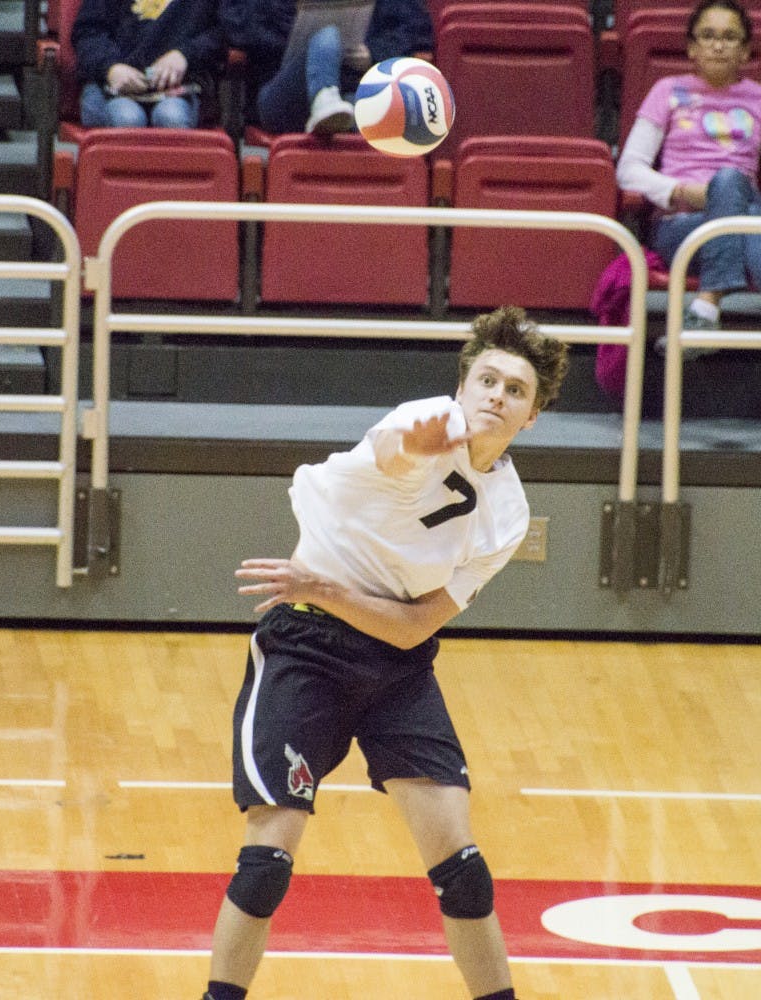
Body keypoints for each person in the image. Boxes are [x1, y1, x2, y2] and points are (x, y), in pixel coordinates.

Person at [202, 306, 570, 1000]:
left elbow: (412, 628)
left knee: (463, 871)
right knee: (267, 863)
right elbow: (393, 451)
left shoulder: (510, 512)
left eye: (514, 390)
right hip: (307, 648)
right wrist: (416, 446)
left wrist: (325, 585)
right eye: (486, 380)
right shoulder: (426, 420)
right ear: (462, 389)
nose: (495, 395)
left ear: (532, 418)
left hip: (396, 666)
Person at [616, 0, 761, 353]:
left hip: (737, 215)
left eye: (730, 37)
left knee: (729, 184)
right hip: (680, 228)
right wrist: (684, 191)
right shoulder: (667, 91)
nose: (718, 44)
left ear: (745, 51)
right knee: (743, 206)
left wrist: (720, 194)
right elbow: (628, 170)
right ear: (692, 48)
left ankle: (706, 308)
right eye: (708, 36)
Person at [219, 0, 433, 135]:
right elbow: (239, 31)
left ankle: (334, 110)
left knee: (365, 115)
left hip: (357, 84)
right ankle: (325, 97)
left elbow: (413, 32)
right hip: (283, 91)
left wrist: (371, 54)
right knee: (326, 37)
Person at [71, 0, 225, 129]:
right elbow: (88, 33)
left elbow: (223, 33)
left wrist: (185, 55)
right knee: (127, 119)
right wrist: (111, 68)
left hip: (180, 88)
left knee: (172, 117)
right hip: (109, 85)